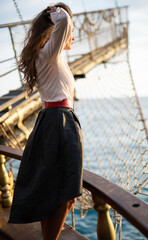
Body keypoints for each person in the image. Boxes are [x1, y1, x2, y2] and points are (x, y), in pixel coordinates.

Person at [8, 2, 83, 240]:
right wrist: (57, 11)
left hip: (53, 121)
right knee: (67, 195)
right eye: (72, 33)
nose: (74, 36)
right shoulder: (48, 54)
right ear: (54, 31)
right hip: (59, 121)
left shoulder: (50, 56)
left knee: (55, 192)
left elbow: (65, 26)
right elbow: (65, 22)